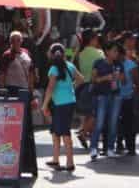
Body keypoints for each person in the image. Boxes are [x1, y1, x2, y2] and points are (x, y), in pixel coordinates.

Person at [41, 43, 83, 173]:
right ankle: (55, 159)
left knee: (64, 132)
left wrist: (44, 105)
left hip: (60, 104)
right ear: (64, 54)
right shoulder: (70, 66)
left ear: (51, 54)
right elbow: (81, 79)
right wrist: (71, 88)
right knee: (56, 131)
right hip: (68, 102)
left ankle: (70, 163)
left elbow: (50, 88)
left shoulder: (53, 69)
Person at [89, 41, 123, 161]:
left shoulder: (118, 64)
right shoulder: (98, 63)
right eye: (114, 51)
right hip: (102, 95)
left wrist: (119, 77)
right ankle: (93, 147)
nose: (116, 53)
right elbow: (93, 79)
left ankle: (110, 148)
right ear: (107, 51)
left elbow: (123, 79)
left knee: (113, 123)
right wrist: (105, 78)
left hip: (115, 95)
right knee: (99, 122)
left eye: (117, 51)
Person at [74, 30, 104, 148]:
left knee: (89, 113)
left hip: (83, 87)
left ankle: (86, 134)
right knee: (95, 113)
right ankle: (84, 133)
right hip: (95, 85)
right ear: (92, 39)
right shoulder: (98, 53)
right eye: (96, 38)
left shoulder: (80, 53)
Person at [115, 37, 139, 156]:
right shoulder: (113, 64)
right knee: (118, 122)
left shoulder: (131, 65)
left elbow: (137, 81)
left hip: (128, 97)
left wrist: (136, 93)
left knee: (129, 123)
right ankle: (119, 143)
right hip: (116, 97)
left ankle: (131, 147)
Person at [0, 31, 34, 97]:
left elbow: (31, 71)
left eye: (18, 40)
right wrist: (2, 89)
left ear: (21, 41)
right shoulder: (7, 55)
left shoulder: (26, 52)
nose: (16, 42)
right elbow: (2, 73)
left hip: (24, 87)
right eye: (13, 40)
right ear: (10, 41)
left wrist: (31, 88)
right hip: (11, 88)